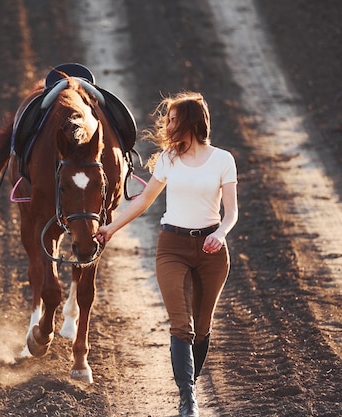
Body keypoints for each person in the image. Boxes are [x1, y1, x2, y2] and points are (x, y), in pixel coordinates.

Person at [96, 91, 238, 417]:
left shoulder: (222, 160)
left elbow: (231, 212)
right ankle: (188, 399)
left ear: (188, 121)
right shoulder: (167, 159)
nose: (167, 124)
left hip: (211, 251)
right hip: (171, 247)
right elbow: (144, 200)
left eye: (173, 119)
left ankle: (190, 385)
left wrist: (220, 233)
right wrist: (111, 227)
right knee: (181, 326)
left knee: (202, 328)